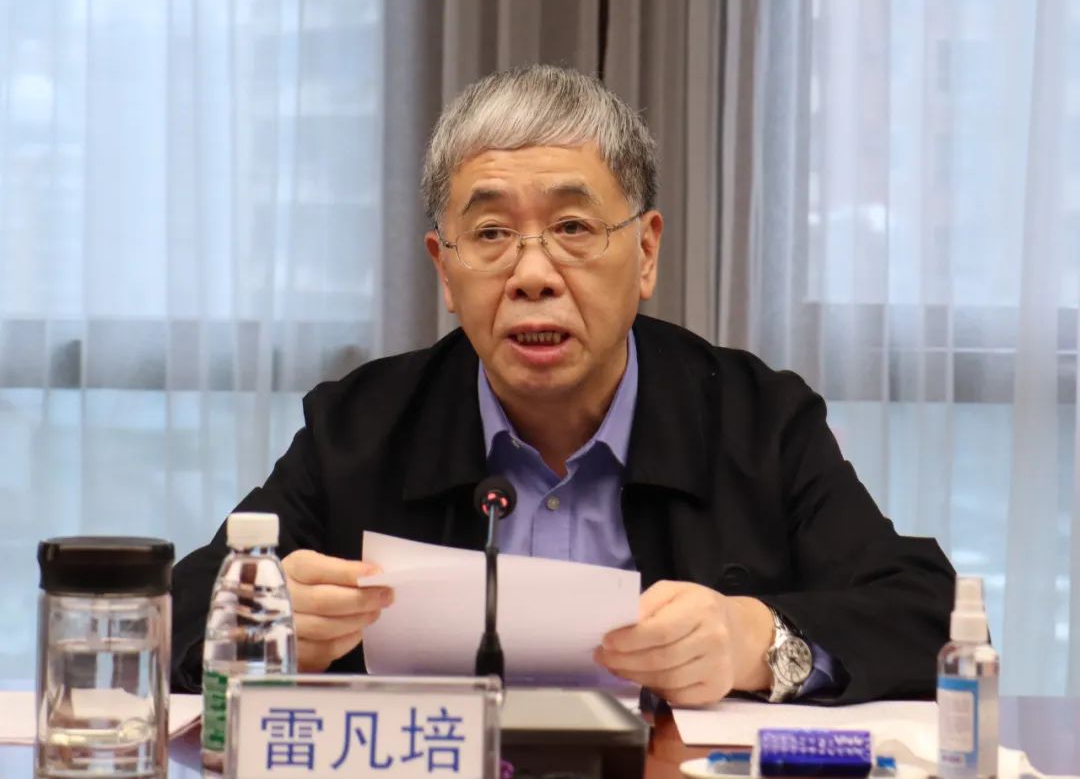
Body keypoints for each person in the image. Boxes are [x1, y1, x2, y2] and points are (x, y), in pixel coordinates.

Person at [171, 65, 955, 706]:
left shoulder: (757, 420)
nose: (533, 274)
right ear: (445, 269)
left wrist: (757, 640)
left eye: (573, 228)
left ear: (646, 253)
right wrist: (259, 623)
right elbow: (179, 608)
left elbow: (925, 609)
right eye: (491, 234)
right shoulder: (360, 426)